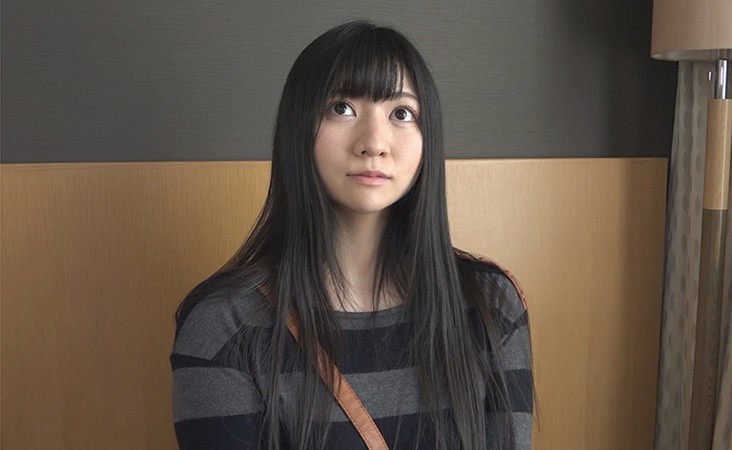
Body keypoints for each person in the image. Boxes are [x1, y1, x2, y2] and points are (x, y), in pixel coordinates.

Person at [171, 20, 534, 450]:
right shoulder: (223, 325)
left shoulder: (490, 305)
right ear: (298, 128)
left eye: (402, 113)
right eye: (341, 108)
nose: (374, 143)